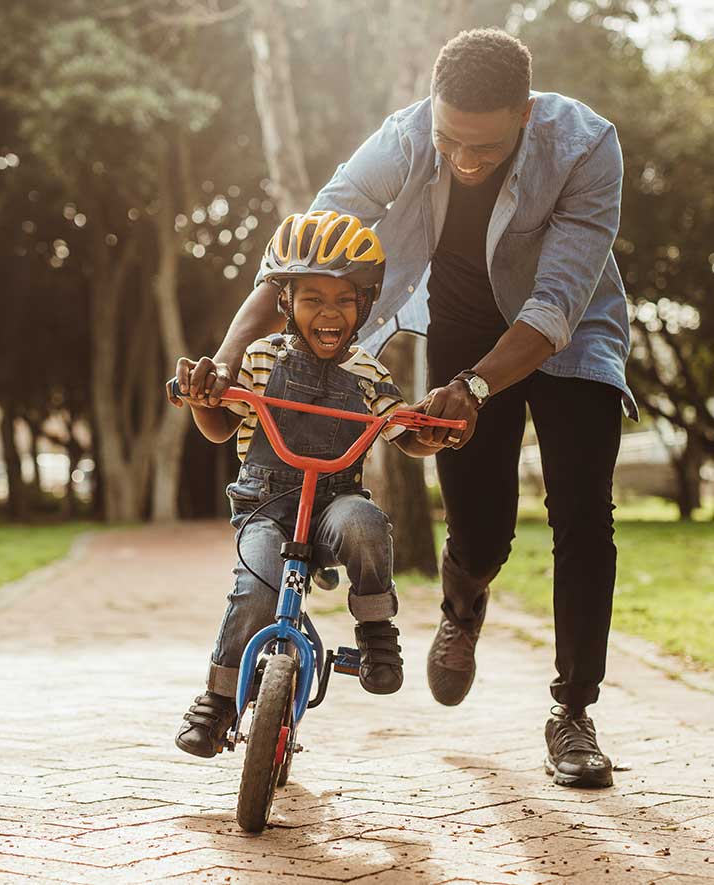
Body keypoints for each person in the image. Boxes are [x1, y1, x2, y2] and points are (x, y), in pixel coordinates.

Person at [172, 28, 637, 788]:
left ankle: (574, 711)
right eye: (450, 139)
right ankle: (463, 601)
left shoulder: (587, 147)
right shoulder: (405, 136)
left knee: (583, 511)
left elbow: (555, 303)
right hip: (463, 319)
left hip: (571, 328)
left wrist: (478, 386)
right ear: (432, 111)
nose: (464, 159)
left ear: (525, 113)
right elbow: (299, 254)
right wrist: (226, 360)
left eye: (485, 147)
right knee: (481, 527)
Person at [168, 211, 446, 758]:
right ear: (286, 303)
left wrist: (430, 433)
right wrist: (204, 400)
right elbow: (222, 425)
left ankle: (375, 633)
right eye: (313, 298)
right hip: (265, 506)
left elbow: (402, 431)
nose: (329, 312)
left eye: (345, 300)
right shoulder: (258, 358)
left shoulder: (368, 372)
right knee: (256, 587)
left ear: (364, 306)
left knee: (366, 526)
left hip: (334, 503)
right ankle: (218, 700)